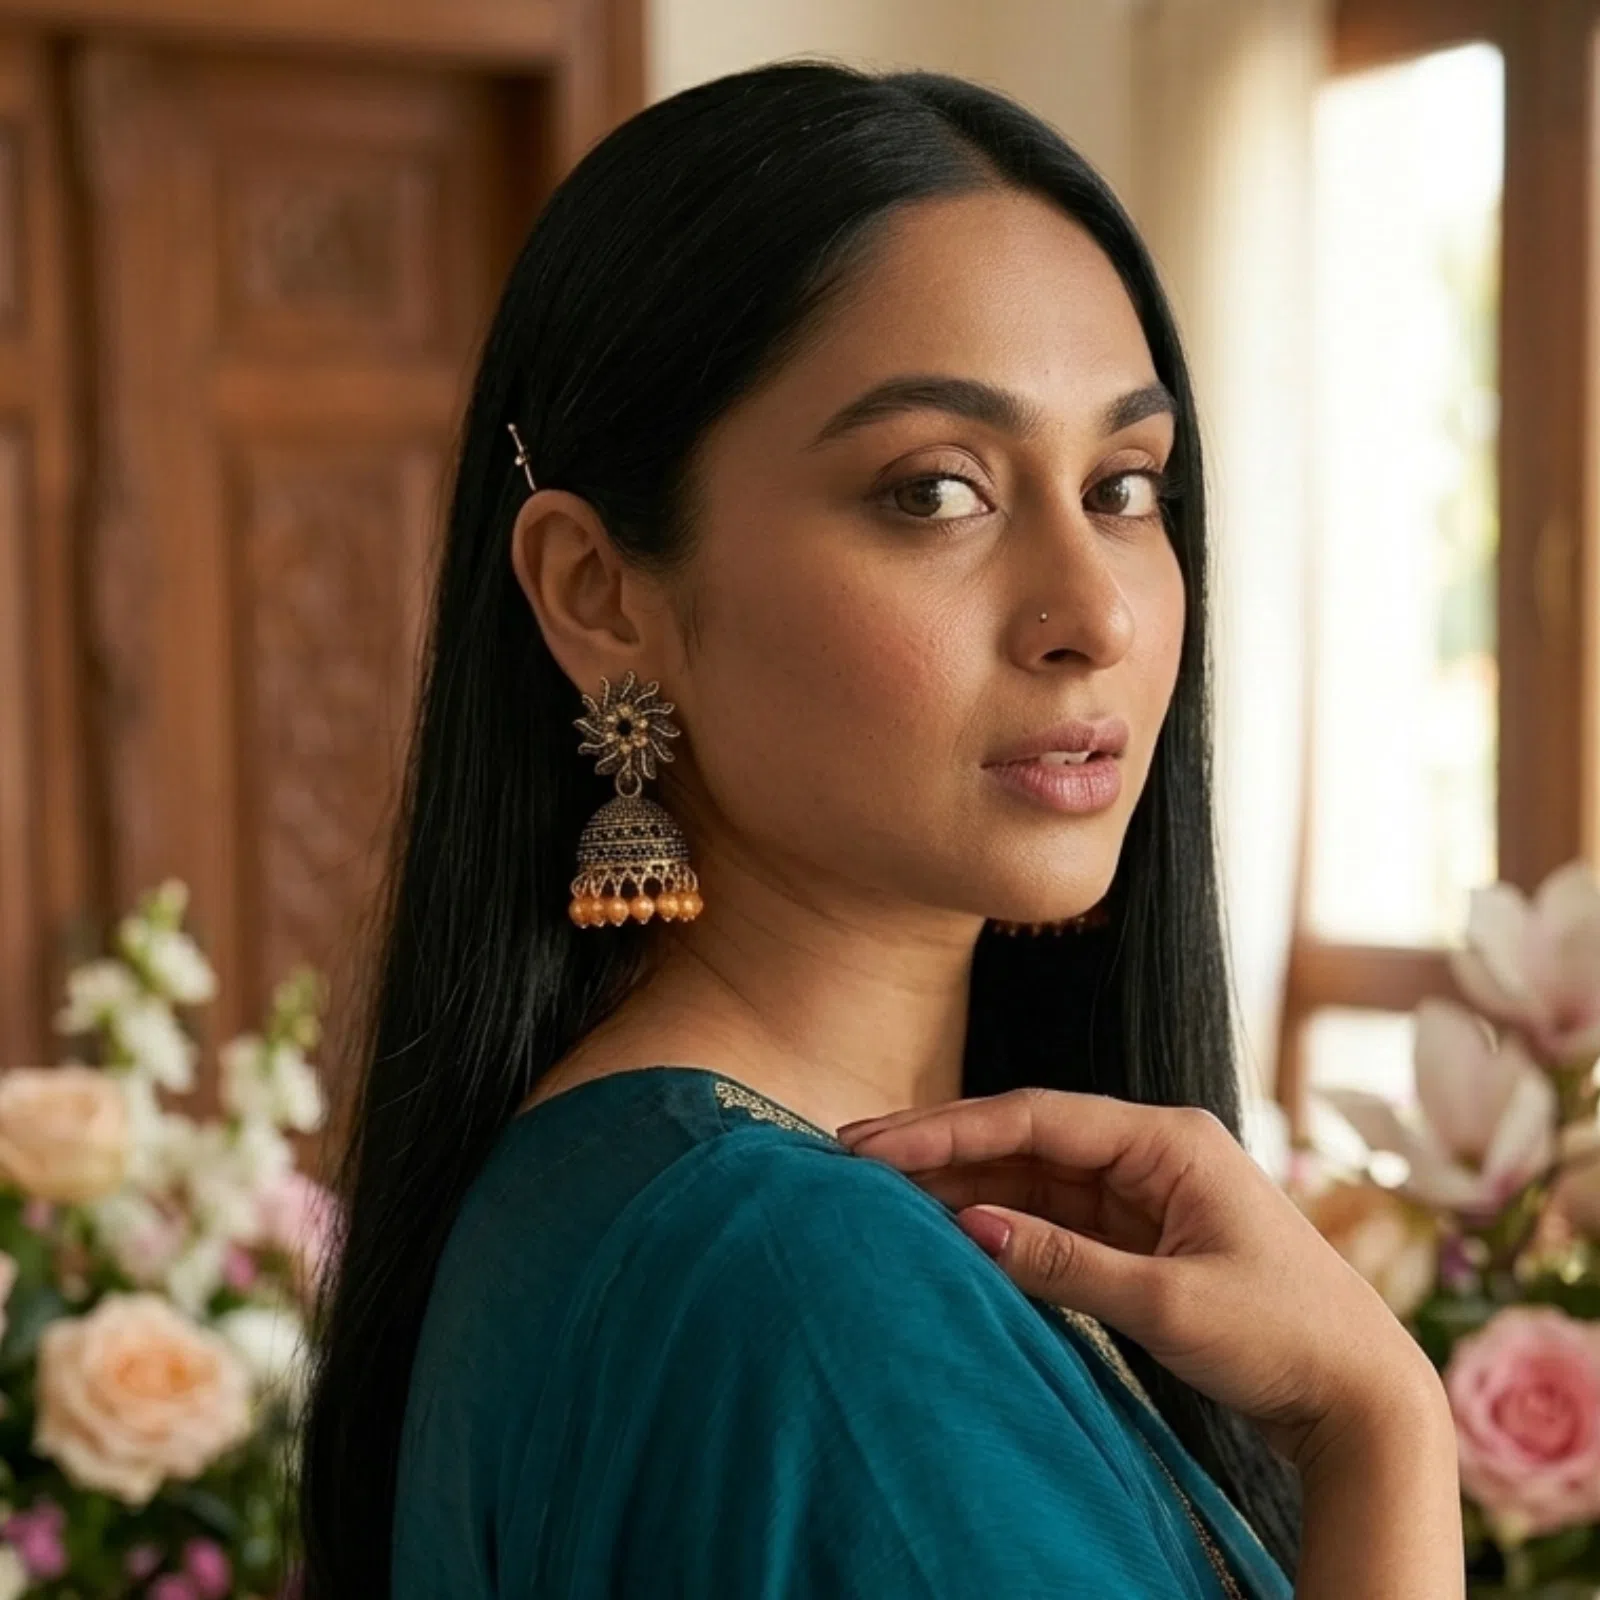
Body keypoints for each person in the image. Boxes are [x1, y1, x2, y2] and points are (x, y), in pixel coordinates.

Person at [295, 60, 1463, 1597]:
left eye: (1124, 484)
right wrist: (1383, 1431)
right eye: (936, 493)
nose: (1092, 610)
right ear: (599, 592)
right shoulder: (791, 1279)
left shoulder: (605, 1193)